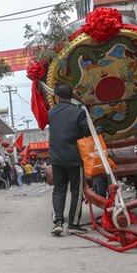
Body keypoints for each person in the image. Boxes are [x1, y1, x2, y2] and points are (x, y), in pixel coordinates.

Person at [48, 83, 90, 236]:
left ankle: (58, 221)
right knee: (76, 191)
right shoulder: (78, 112)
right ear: (71, 96)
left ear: (57, 97)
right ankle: (73, 224)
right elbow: (85, 132)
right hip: (74, 158)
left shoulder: (51, 113)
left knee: (59, 190)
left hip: (56, 158)